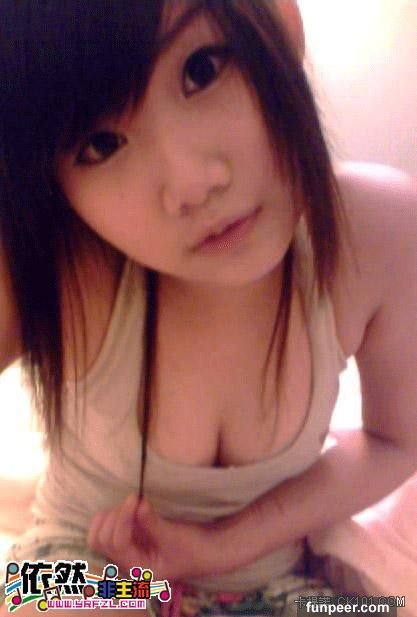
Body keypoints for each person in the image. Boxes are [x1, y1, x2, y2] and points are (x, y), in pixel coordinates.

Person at [0, 1, 416, 615]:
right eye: (100, 144)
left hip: (277, 587)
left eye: (202, 69)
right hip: (81, 572)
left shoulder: (380, 230)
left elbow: (395, 441)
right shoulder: (63, 264)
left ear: (278, 25)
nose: (192, 184)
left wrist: (221, 547)